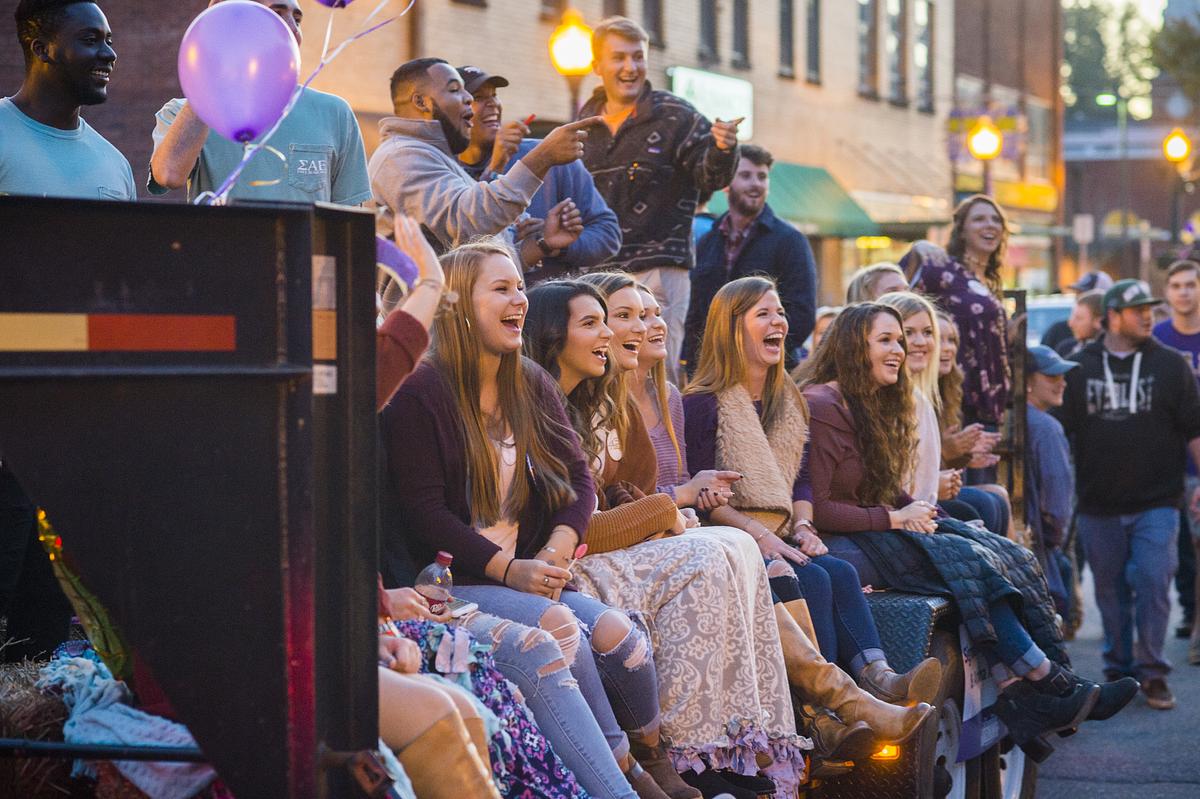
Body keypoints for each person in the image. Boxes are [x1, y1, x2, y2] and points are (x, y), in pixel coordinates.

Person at [381, 238, 683, 799]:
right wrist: (508, 569)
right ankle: (625, 783)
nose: (519, 297)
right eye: (501, 288)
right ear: (456, 305)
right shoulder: (421, 388)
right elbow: (426, 513)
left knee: (624, 640)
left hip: (528, 571)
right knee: (558, 631)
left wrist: (556, 551)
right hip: (452, 579)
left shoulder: (530, 380)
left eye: (520, 285)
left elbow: (579, 482)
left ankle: (650, 761)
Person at [796, 303, 1136, 760]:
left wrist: (915, 507)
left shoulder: (865, 403)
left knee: (990, 549)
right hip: (833, 546)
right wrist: (895, 518)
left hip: (869, 531)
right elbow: (818, 509)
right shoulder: (822, 405)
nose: (899, 349)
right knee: (964, 561)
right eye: (887, 340)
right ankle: (1043, 680)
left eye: (900, 339)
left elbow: (879, 484)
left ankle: (1033, 683)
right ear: (854, 346)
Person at [524, 276, 804, 799]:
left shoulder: (613, 401)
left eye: (634, 317)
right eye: (601, 321)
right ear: (550, 337)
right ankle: (685, 750)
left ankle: (738, 738)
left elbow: (632, 492)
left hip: (598, 549)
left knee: (734, 547)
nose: (614, 333)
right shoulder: (543, 409)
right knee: (707, 553)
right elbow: (589, 523)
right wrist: (661, 509)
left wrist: (654, 505)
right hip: (562, 563)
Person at [681, 278, 937, 750]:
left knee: (835, 569)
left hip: (782, 531)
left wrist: (802, 525)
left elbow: (799, 481)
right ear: (731, 329)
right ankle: (818, 716)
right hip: (730, 533)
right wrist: (762, 537)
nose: (778, 321)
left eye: (780, 312)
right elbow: (703, 497)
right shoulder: (701, 403)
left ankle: (875, 679)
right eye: (763, 314)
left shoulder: (788, 400)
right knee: (814, 579)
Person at [1058, 279, 1200, 710]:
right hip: (1098, 502)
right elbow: (1061, 434)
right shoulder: (1078, 365)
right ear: (1111, 317)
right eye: (1137, 309)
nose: (1147, 315)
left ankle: (1153, 672)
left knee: (1155, 581)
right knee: (1110, 591)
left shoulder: (1172, 365)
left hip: (1158, 500)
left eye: (1149, 308)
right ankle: (1118, 671)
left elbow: (1194, 427)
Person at [579, 16, 740, 383]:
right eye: (619, 58)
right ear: (597, 66)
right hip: (597, 273)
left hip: (658, 271)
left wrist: (723, 148)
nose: (630, 67)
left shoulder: (677, 116)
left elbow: (710, 176)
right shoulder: (584, 121)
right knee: (600, 378)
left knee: (656, 378)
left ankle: (667, 442)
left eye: (638, 57)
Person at [370, 58, 598, 267]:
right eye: (454, 89)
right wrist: (542, 157)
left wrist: (543, 244)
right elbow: (466, 224)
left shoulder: (433, 157)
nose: (468, 98)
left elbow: (473, 259)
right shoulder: (400, 158)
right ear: (421, 101)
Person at [149, 0, 369, 205]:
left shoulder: (335, 113)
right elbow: (169, 175)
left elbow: (348, 222)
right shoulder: (181, 111)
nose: (293, 28)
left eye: (298, 19)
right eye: (277, 14)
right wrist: (211, 61)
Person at [455, 66, 621, 283]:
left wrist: (557, 245)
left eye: (494, 96)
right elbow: (464, 238)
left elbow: (608, 235)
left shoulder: (549, 156)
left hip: (554, 303)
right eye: (478, 98)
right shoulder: (442, 170)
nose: (493, 104)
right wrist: (495, 167)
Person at [878, 292, 1009, 537]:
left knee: (992, 504)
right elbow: (885, 482)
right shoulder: (883, 397)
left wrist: (959, 459)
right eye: (909, 333)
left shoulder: (923, 397)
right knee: (982, 507)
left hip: (919, 508)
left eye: (928, 333)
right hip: (896, 515)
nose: (920, 342)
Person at [684, 144, 818, 372]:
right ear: (726, 183)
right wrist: (692, 363)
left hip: (768, 374)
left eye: (762, 177)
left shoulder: (790, 240)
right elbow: (694, 312)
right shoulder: (708, 241)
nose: (755, 184)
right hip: (712, 371)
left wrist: (763, 356)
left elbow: (802, 313)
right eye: (745, 175)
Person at [2, 0, 134, 200]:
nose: (110, 54)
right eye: (90, 40)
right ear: (42, 49)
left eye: (109, 41)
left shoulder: (117, 166)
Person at [1153, 260, 1200, 660]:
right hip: (1168, 461)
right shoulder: (1158, 338)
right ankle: (1189, 611)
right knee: (1180, 545)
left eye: (1191, 285)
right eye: (1177, 285)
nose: (1184, 292)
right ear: (1167, 293)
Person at [1023, 345, 1078, 622]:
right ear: (1028, 382)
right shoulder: (1046, 427)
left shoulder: (1017, 419)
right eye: (1052, 376)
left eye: (1062, 376)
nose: (1062, 382)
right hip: (1040, 551)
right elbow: (1057, 504)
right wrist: (1054, 537)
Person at [1042, 270, 1114, 352]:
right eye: (1077, 294)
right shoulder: (1059, 331)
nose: (1080, 299)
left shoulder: (1120, 343)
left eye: (1086, 294)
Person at [1057, 289, 1105, 358]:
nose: (1071, 324)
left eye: (1079, 318)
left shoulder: (1112, 355)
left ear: (1099, 322)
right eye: (1072, 317)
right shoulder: (1066, 349)